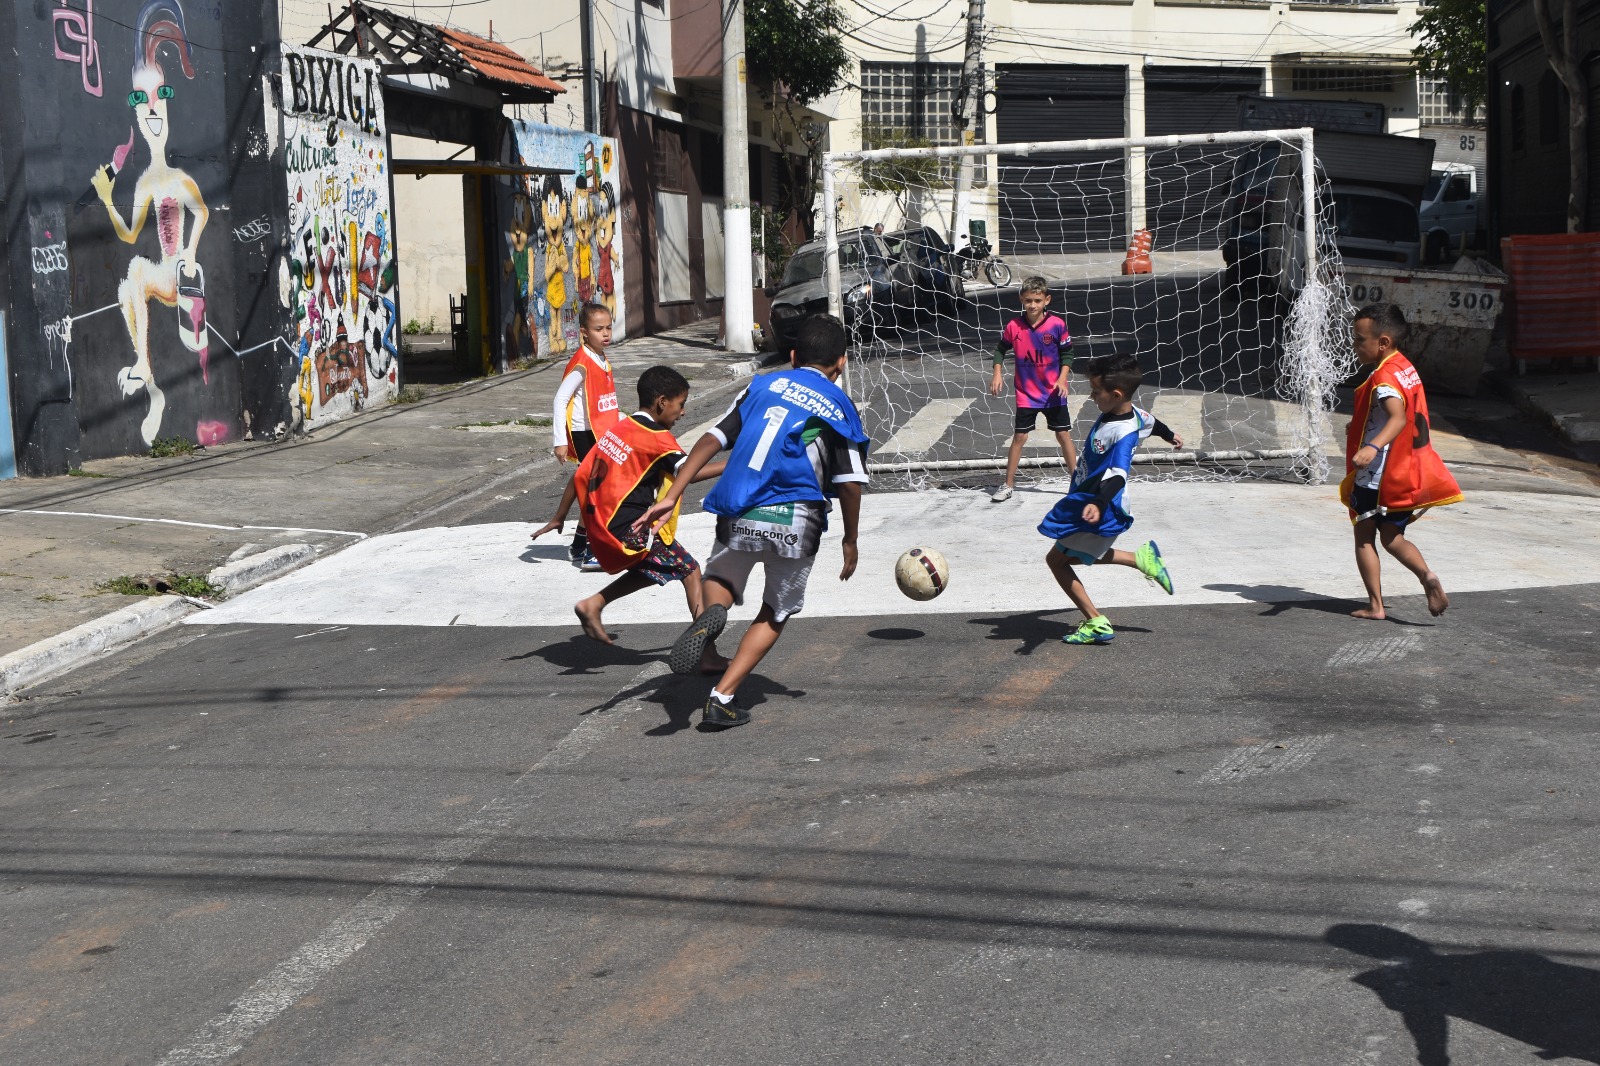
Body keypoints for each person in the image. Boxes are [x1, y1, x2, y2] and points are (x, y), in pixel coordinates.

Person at [638, 314, 869, 729]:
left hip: (739, 507)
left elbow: (714, 437)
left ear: (794, 356)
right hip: (797, 518)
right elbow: (850, 483)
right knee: (776, 611)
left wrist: (673, 493)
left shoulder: (761, 384)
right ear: (842, 363)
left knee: (721, 580)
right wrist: (850, 540)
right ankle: (722, 697)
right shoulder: (840, 407)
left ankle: (711, 617)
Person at [531, 366, 726, 644]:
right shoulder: (659, 439)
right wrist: (733, 464)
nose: (682, 412)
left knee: (656, 566)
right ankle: (706, 650)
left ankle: (595, 603)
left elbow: (580, 475)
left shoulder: (618, 429)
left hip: (599, 530)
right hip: (627, 530)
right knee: (690, 569)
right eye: (680, 405)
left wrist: (559, 516)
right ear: (662, 402)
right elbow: (689, 473)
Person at [1038, 353, 1176, 645]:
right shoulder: (1133, 414)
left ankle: (1096, 621)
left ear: (1115, 394)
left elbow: (1117, 475)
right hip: (1086, 502)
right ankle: (1141, 560)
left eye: (1095, 392)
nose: (1091, 396)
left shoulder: (1124, 434)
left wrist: (1098, 503)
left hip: (1100, 507)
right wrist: (1170, 435)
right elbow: (1154, 423)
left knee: (1057, 561)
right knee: (1067, 557)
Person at [1339, 303, 1461, 620]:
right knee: (1393, 538)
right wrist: (1363, 425)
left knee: (1364, 537)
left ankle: (1376, 605)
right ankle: (1428, 576)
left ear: (1383, 342)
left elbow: (1397, 417)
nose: (1355, 345)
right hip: (1404, 472)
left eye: (1359, 339)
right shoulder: (1404, 367)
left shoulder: (1383, 378)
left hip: (1377, 477)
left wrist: (1372, 446)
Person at [989, 277, 1076, 502]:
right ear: (1021, 299)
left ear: (1046, 299)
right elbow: (1000, 350)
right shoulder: (1014, 326)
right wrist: (997, 372)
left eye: (1037, 300)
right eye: (1028, 300)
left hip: (1053, 393)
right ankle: (1008, 485)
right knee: (1020, 437)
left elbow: (1068, 354)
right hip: (1026, 393)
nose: (1033, 305)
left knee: (1063, 434)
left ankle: (1077, 483)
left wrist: (1063, 378)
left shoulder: (1057, 324)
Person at [552, 303, 623, 571]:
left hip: (603, 433)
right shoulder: (582, 363)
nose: (605, 333)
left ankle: (579, 545)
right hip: (585, 435)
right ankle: (594, 551)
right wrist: (560, 440)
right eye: (598, 329)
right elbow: (560, 400)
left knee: (596, 491)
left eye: (608, 327)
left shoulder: (601, 357)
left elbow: (604, 402)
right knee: (599, 492)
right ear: (584, 332)